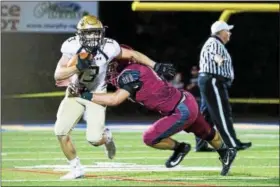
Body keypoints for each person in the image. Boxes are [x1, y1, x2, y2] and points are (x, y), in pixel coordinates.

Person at [71, 47, 237, 176]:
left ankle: (180, 148)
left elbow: (115, 99)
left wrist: (86, 94)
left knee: (149, 137)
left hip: (180, 110)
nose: (106, 68)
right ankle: (226, 152)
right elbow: (134, 54)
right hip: (185, 101)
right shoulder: (137, 66)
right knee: (207, 133)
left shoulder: (129, 74)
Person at [54, 15, 176, 180]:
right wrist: (76, 67)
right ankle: (76, 169)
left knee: (95, 139)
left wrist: (156, 65)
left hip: (97, 94)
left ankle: (107, 137)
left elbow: (133, 55)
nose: (93, 37)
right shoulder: (71, 46)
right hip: (75, 93)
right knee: (61, 131)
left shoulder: (109, 46)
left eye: (96, 33)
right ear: (80, 34)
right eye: (89, 33)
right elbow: (58, 75)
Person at [197, 20, 252, 151]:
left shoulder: (214, 43)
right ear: (220, 32)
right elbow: (214, 54)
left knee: (206, 115)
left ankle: (201, 144)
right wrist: (219, 60)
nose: (229, 34)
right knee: (222, 113)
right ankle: (232, 143)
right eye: (227, 31)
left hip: (208, 80)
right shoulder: (214, 43)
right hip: (213, 80)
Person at [186, 66, 214, 152]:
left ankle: (202, 145)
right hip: (200, 101)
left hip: (204, 101)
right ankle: (200, 146)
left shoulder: (203, 77)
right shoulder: (201, 77)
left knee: (208, 123)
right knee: (203, 122)